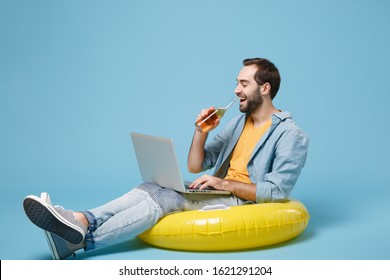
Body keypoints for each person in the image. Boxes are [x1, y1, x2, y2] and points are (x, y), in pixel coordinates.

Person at [23, 58, 309, 259]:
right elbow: (196, 166)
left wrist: (225, 185)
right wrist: (200, 132)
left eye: (243, 84)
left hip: (239, 198)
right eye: (236, 83)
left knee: (165, 199)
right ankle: (81, 219)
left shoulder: (290, 135)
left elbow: (277, 191)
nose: (236, 90)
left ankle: (79, 243)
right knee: (150, 186)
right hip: (217, 189)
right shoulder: (238, 123)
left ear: (265, 88)